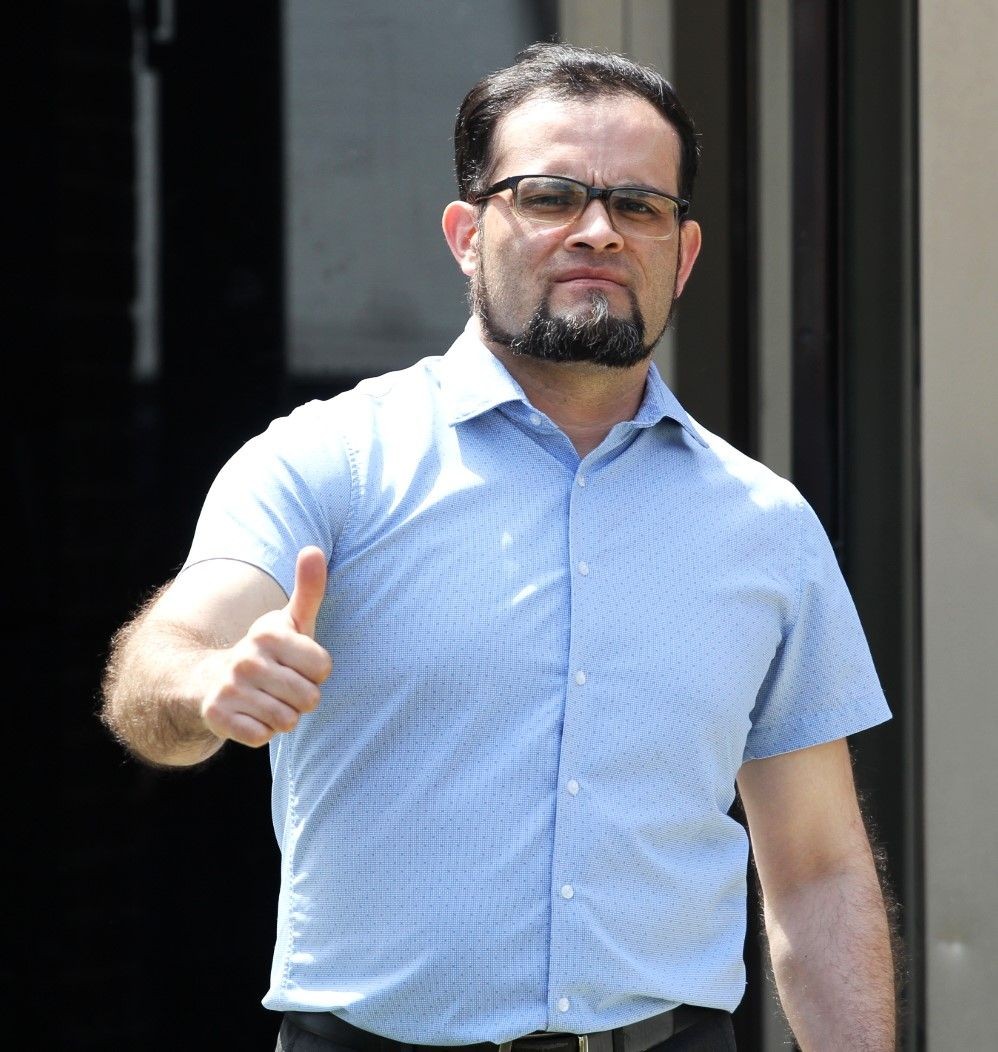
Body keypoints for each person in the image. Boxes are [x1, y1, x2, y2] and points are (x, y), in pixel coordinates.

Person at [100, 41, 898, 1052]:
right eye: (549, 194)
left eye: (638, 205)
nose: (597, 231)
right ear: (467, 233)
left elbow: (820, 868)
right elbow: (156, 671)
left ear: (681, 253)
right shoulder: (330, 463)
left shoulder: (763, 525)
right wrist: (209, 680)